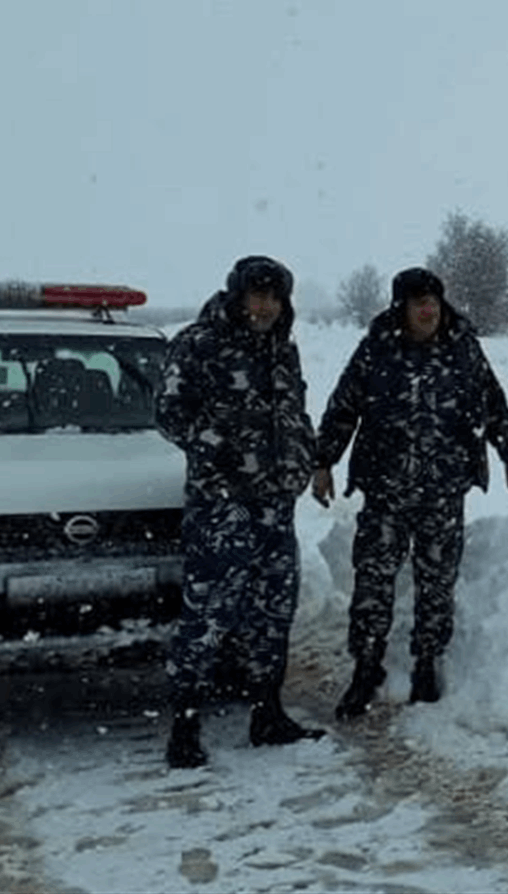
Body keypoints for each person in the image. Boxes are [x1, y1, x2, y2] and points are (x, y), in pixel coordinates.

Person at [312, 266, 508, 720]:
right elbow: (344, 405)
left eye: (433, 300)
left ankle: (427, 663)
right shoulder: (377, 349)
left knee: (437, 583)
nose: (428, 310)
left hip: (444, 490)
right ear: (401, 307)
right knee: (373, 582)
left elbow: (492, 400)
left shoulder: (461, 347)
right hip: (385, 490)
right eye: (418, 303)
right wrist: (324, 460)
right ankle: (366, 668)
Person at [156, 254, 326, 768]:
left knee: (272, 613)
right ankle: (184, 728)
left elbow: (293, 413)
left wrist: (310, 461)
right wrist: (214, 446)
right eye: (257, 294)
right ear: (237, 294)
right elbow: (168, 412)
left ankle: (267, 713)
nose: (266, 305)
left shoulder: (282, 349)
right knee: (208, 616)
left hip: (275, 503)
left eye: (274, 296)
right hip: (220, 506)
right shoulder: (199, 343)